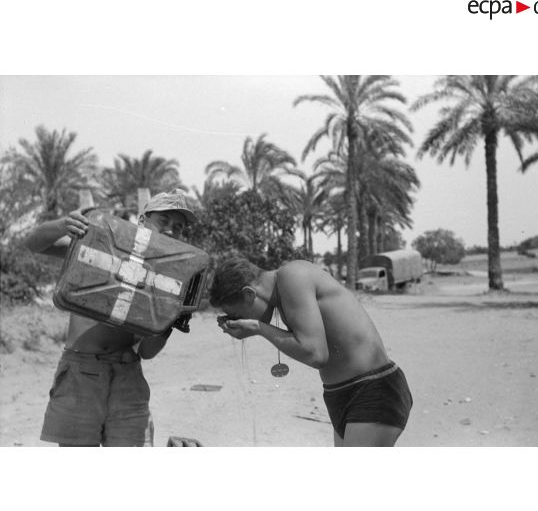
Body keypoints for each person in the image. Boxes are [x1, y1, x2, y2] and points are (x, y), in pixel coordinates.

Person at [24, 189, 201, 447]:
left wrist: (172, 321)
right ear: (142, 221)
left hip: (128, 376)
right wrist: (63, 224)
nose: (172, 230)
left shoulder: (171, 281)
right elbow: (34, 244)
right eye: (164, 221)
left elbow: (148, 352)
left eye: (179, 227)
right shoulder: (102, 246)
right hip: (80, 374)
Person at [210, 256, 413, 447]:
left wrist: (258, 328)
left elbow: (315, 353)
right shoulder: (283, 293)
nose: (237, 320)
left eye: (236, 314)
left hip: (371, 388)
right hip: (341, 393)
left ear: (249, 294)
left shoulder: (291, 276)